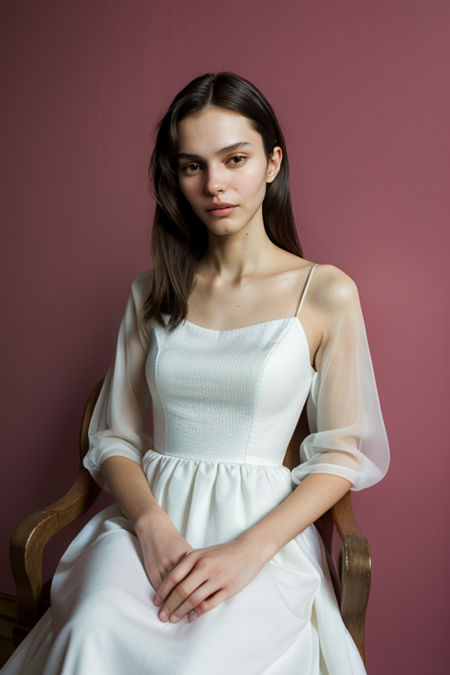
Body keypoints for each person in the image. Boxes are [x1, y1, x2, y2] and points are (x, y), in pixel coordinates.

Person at [2, 71, 390, 675]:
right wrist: (150, 526)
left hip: (262, 529)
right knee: (91, 630)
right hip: (145, 520)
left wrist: (248, 552)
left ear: (272, 162)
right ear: (175, 177)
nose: (215, 185)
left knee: (208, 660)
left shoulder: (326, 292)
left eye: (235, 158)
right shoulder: (151, 292)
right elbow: (114, 438)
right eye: (191, 166)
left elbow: (340, 455)